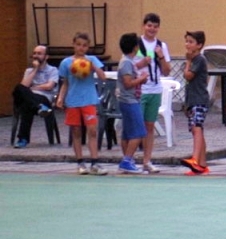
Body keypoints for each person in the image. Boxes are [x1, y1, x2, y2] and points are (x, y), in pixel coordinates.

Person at [55, 32, 108, 175]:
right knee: (76, 131)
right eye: (78, 45)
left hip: (89, 99)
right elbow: (65, 83)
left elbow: (103, 77)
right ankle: (80, 162)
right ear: (73, 45)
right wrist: (60, 98)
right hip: (73, 101)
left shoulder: (92, 59)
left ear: (88, 47)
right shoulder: (66, 62)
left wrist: (94, 67)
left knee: (92, 130)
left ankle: (95, 162)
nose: (81, 48)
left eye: (84, 45)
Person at [136, 13, 172, 174]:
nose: (152, 29)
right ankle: (129, 159)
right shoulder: (136, 44)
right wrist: (142, 63)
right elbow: (129, 65)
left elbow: (166, 71)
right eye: (149, 25)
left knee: (149, 126)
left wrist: (161, 56)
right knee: (136, 126)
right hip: (139, 89)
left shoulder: (161, 46)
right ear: (144, 26)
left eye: (155, 26)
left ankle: (147, 160)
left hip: (155, 90)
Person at [11, 44, 58, 148]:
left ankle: (23, 139)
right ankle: (39, 107)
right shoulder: (29, 71)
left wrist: (33, 88)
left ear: (46, 57)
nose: (36, 56)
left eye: (39, 53)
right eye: (34, 53)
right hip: (33, 100)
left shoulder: (53, 70)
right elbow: (24, 86)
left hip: (44, 98)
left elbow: (49, 86)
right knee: (19, 89)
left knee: (26, 106)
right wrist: (35, 69)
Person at [114, 33, 148, 175]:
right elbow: (128, 83)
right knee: (139, 132)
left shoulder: (128, 61)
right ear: (135, 47)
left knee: (127, 133)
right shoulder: (126, 62)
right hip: (129, 100)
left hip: (129, 100)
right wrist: (142, 79)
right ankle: (127, 160)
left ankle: (128, 160)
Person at [181, 30, 210, 175]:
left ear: (199, 45)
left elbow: (188, 76)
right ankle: (202, 165)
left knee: (197, 128)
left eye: (191, 42)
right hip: (192, 100)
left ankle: (195, 159)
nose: (187, 44)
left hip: (199, 100)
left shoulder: (198, 59)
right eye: (186, 41)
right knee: (196, 130)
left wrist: (187, 62)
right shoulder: (195, 60)